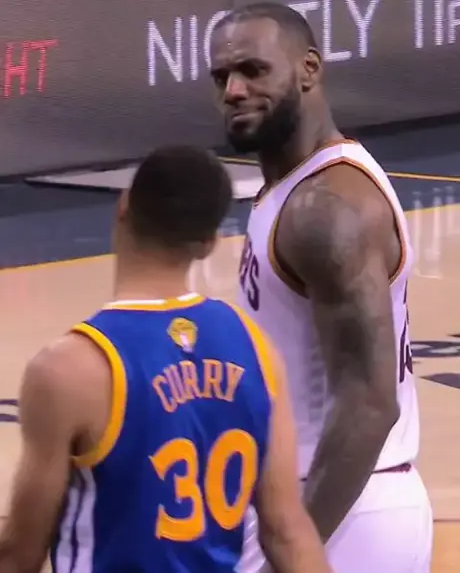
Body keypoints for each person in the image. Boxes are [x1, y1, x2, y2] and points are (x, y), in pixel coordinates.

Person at [0, 145, 331, 573]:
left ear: (124, 206)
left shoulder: (70, 369)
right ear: (209, 244)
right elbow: (287, 531)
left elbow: (20, 554)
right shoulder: (257, 348)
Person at [210, 2, 433, 573]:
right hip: (336, 499)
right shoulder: (294, 188)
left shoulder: (327, 209)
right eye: (222, 77)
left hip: (344, 509)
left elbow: (369, 404)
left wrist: (293, 552)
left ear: (309, 69)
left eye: (253, 70)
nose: (234, 90)